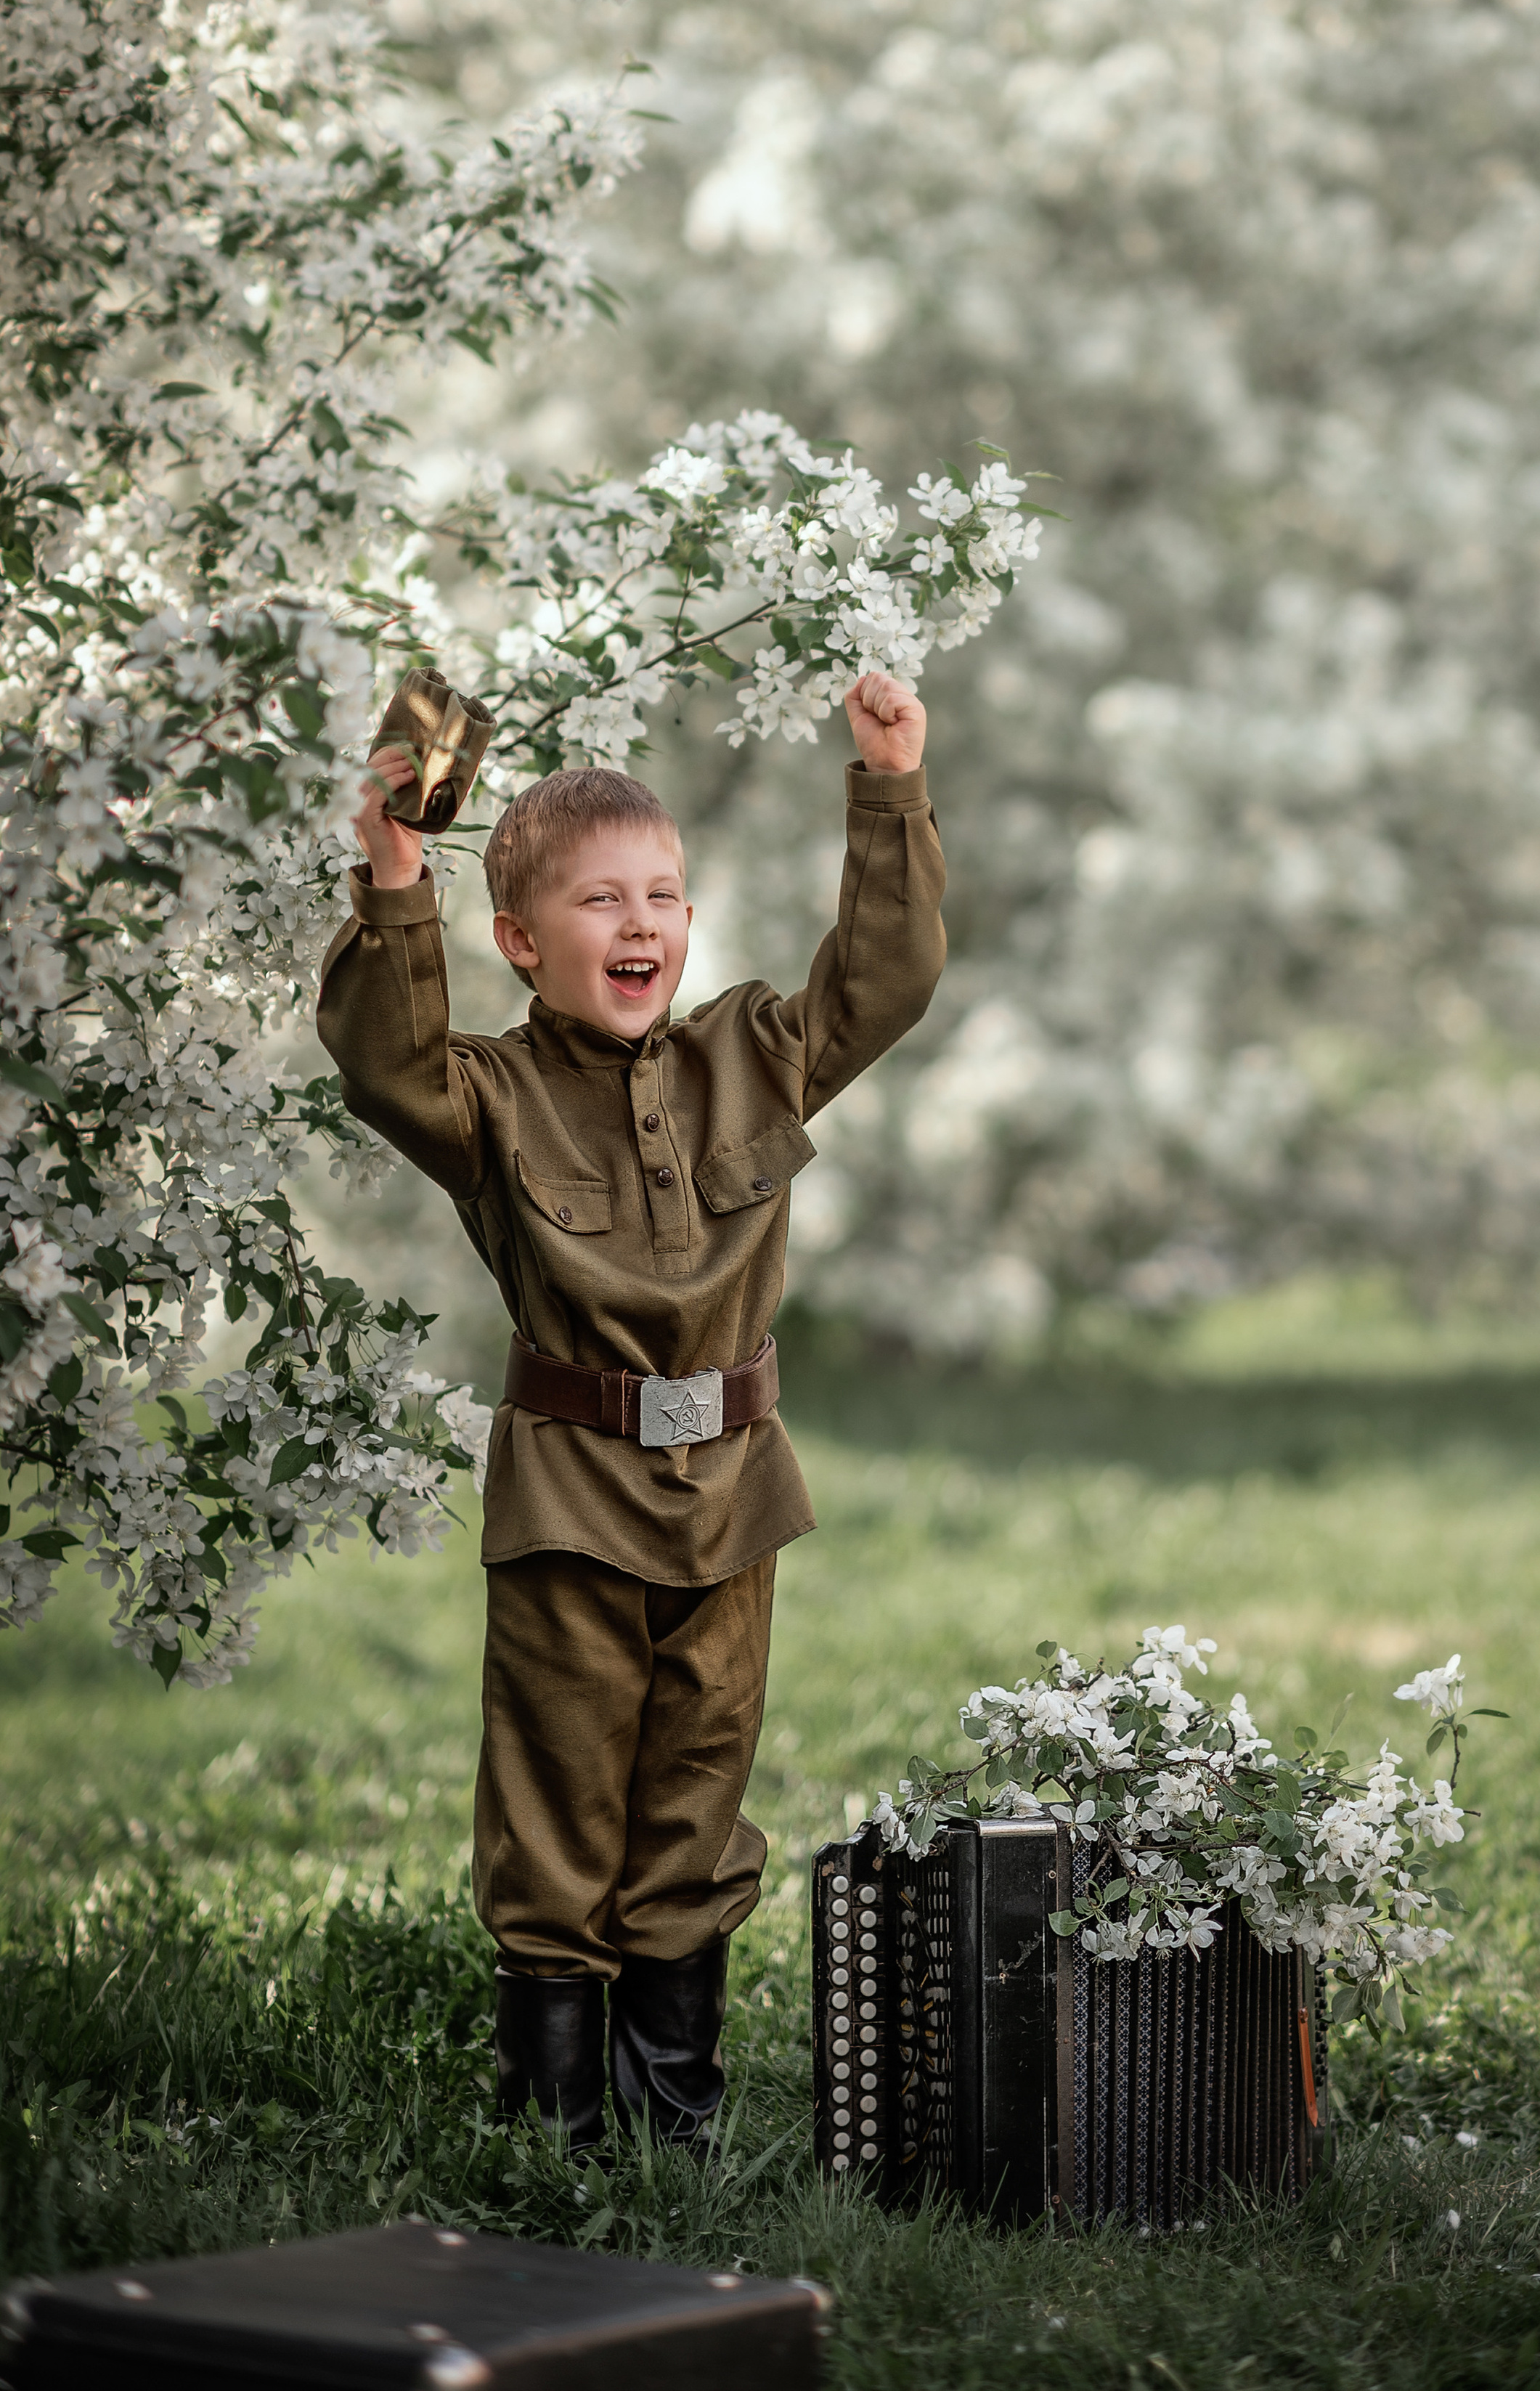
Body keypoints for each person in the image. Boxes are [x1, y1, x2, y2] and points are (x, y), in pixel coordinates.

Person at [317, 672, 942, 2151]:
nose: (639, 923)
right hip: (572, 1499)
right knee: (559, 1796)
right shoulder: (490, 1095)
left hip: (734, 1491)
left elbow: (886, 980)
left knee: (697, 1789)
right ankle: (554, 2129)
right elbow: (386, 1061)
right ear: (522, 941)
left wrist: (890, 787)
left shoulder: (751, 1053)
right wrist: (394, 874)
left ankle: (674, 2121)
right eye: (600, 900)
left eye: (661, 895)